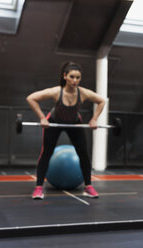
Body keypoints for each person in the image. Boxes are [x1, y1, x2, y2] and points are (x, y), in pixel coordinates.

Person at [26, 62, 105, 200]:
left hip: (74, 123)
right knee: (46, 153)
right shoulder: (57, 91)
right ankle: (38, 188)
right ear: (65, 76)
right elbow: (31, 98)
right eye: (72, 77)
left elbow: (101, 101)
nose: (75, 80)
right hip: (54, 123)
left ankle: (88, 186)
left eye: (78, 77)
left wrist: (94, 119)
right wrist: (42, 118)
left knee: (84, 154)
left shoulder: (84, 93)